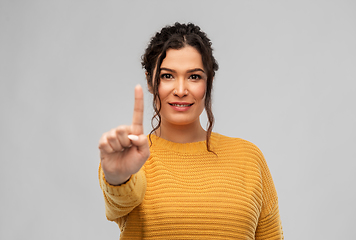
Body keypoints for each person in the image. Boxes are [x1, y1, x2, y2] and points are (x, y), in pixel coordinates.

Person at [98, 22, 283, 239]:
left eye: (194, 76)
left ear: (209, 81)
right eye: (167, 76)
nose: (181, 90)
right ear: (150, 81)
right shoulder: (131, 157)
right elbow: (119, 204)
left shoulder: (249, 158)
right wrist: (117, 176)